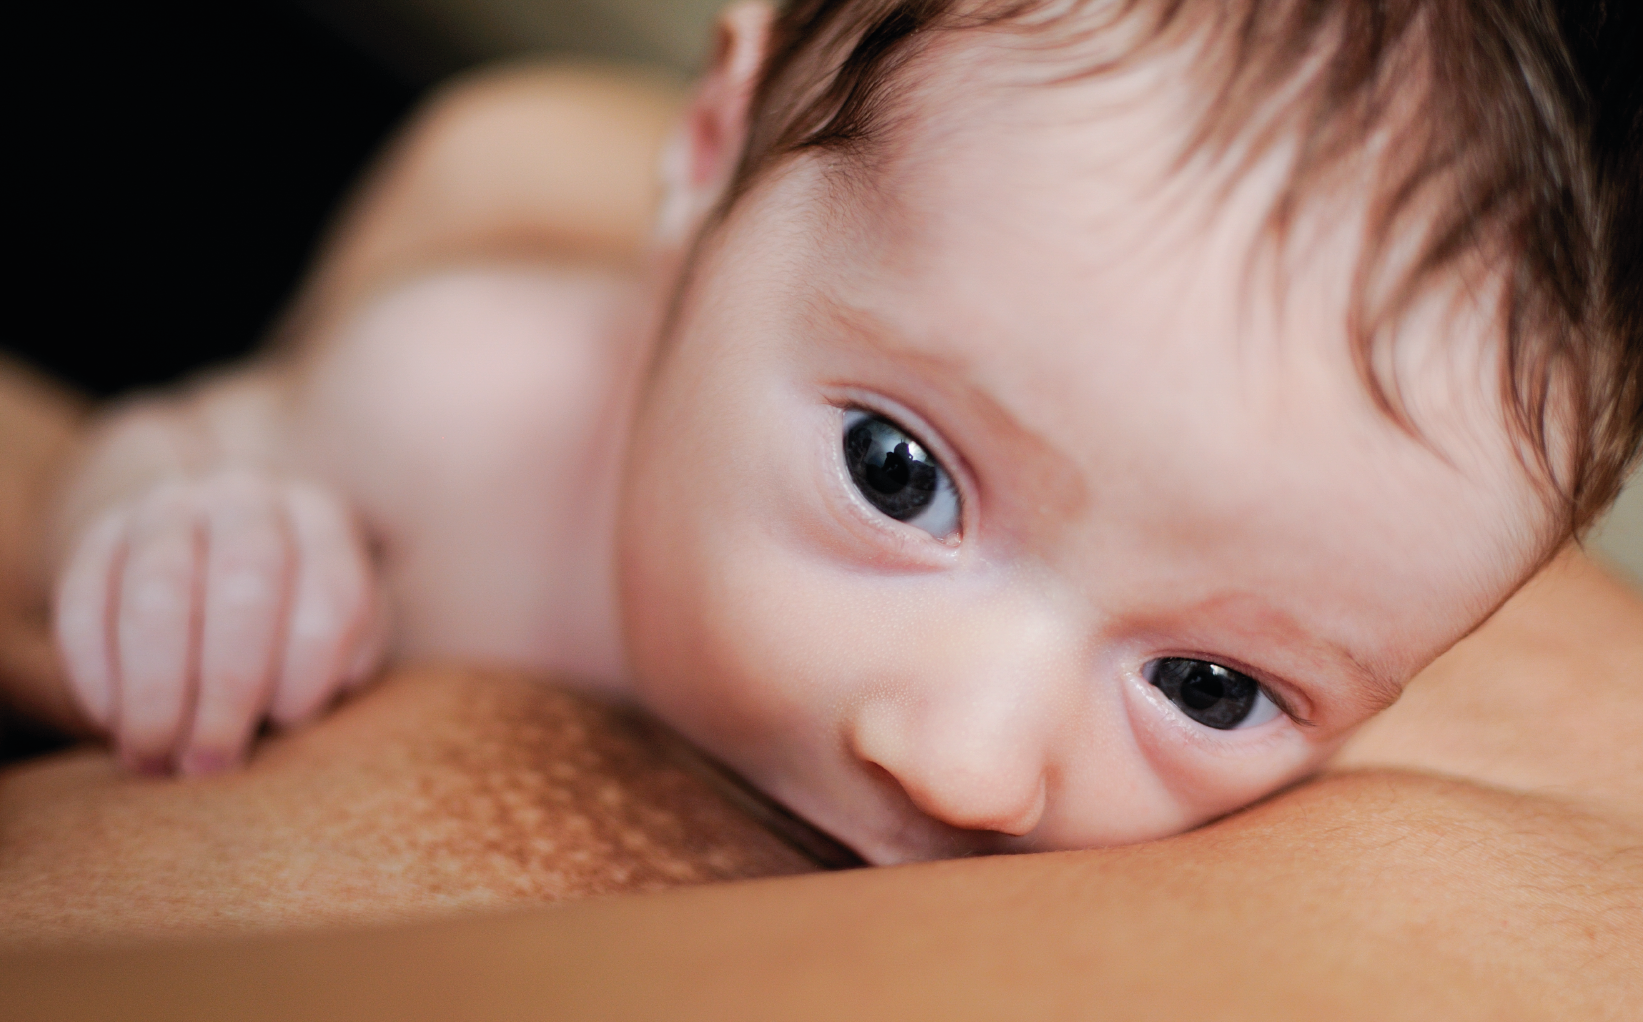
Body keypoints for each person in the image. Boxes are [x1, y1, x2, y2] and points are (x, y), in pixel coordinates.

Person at [0, 30, 1638, 1017]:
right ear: (711, 146)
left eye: (1209, 686)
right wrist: (197, 524)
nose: (970, 761)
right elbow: (137, 464)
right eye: (897, 473)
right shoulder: (455, 408)